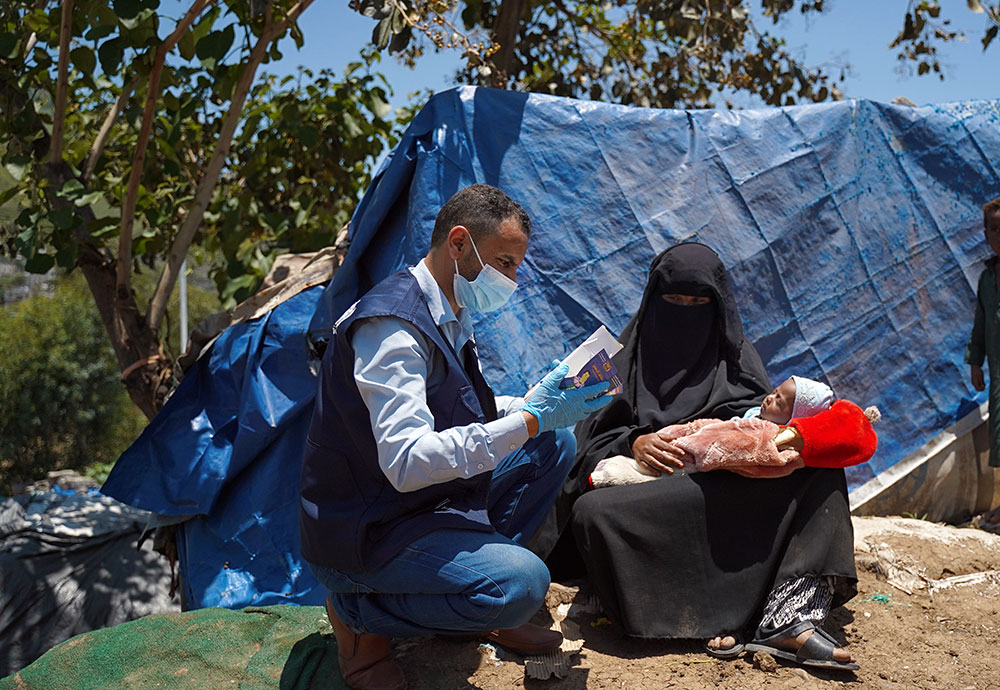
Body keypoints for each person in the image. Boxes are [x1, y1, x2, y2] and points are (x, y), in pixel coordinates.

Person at [299, 184, 611, 690]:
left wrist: (535, 405)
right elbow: (406, 462)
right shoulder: (391, 328)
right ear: (460, 244)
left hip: (419, 510)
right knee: (524, 584)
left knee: (554, 444)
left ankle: (468, 595)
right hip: (365, 534)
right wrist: (530, 419)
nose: (511, 279)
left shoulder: (449, 312)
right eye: (504, 263)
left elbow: (460, 410)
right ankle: (358, 614)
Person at [565, 243, 861, 672]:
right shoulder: (616, 359)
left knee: (821, 473)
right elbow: (582, 442)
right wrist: (633, 442)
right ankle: (723, 616)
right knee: (592, 512)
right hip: (654, 492)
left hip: (724, 486)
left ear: (717, 306)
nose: (686, 312)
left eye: (698, 302)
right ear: (652, 300)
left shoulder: (735, 358)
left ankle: (787, 614)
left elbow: (768, 425)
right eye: (674, 301)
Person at [966, 194, 1000, 526]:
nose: (998, 236)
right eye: (993, 229)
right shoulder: (987, 279)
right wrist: (976, 361)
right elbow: (980, 323)